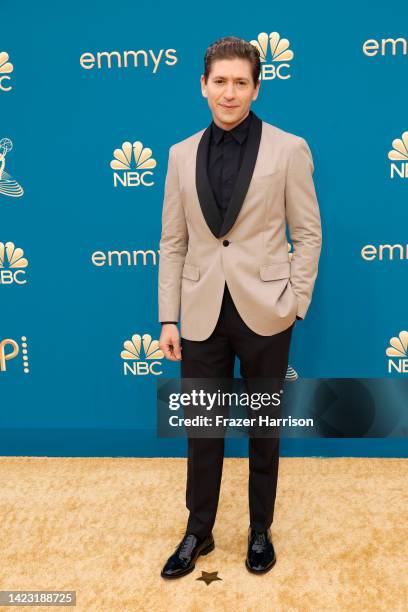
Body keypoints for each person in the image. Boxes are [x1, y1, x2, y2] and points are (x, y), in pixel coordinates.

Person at [158, 36, 322, 579]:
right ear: (203, 85)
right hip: (201, 312)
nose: (230, 92)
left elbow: (308, 231)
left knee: (263, 428)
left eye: (241, 82)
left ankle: (259, 529)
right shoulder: (180, 154)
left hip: (266, 311)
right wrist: (167, 316)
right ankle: (197, 532)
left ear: (256, 86)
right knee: (202, 429)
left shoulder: (288, 148)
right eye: (220, 81)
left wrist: (294, 302)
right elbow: (172, 243)